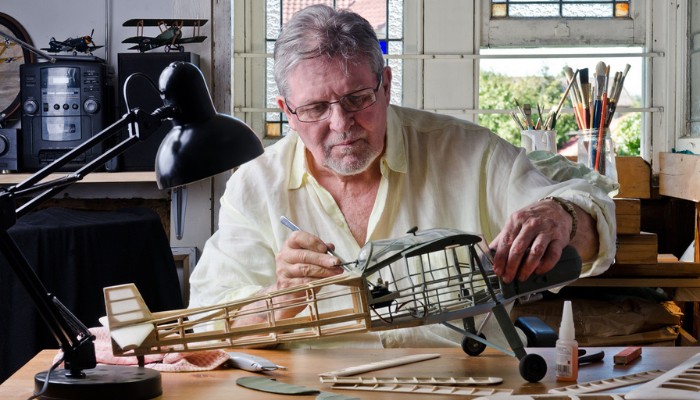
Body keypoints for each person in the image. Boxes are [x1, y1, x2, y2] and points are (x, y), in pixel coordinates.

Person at [189, 4, 616, 348]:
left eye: (357, 98)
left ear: (387, 84)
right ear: (287, 113)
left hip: (462, 385)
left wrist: (561, 216)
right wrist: (279, 299)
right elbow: (206, 323)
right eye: (316, 108)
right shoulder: (253, 186)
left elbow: (592, 226)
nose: (341, 124)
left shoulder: (471, 153)